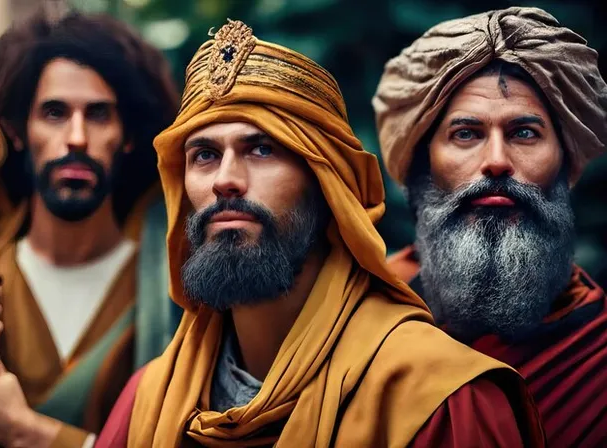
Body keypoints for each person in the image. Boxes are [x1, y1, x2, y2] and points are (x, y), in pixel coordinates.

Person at [94, 19, 545, 447]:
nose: (224, 180)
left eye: (263, 149)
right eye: (205, 155)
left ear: (328, 186)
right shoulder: (147, 401)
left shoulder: (436, 400)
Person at [0, 8, 181, 447]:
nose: (75, 137)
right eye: (54, 113)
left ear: (128, 136)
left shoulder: (175, 286)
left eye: (98, 115)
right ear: (16, 131)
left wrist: (28, 432)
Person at [373, 7, 607, 447]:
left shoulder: (597, 356)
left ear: (565, 163)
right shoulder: (359, 314)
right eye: (465, 133)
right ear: (423, 164)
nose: (496, 161)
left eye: (524, 133)